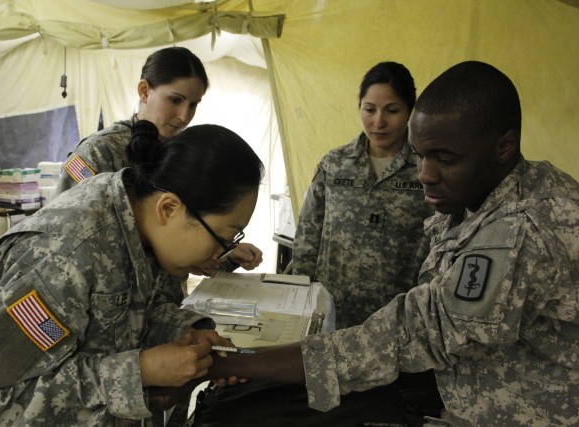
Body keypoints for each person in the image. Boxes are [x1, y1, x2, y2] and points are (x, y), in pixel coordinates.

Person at [171, 61, 579, 426]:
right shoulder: (476, 193)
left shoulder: (527, 228)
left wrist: (237, 362)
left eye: (444, 158)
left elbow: (418, 330)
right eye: (420, 156)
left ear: (503, 146)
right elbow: (312, 240)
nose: (425, 174)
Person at [0, 121, 265, 426]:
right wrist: (139, 371)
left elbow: (122, 320)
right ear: (169, 208)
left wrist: (183, 335)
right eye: (225, 236)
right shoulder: (65, 257)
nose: (221, 253)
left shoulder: (141, 228)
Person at [55, 46, 263, 276]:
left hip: (162, 303)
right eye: (175, 100)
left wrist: (219, 250)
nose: (184, 115)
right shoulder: (97, 152)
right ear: (144, 91)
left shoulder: (184, 154)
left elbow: (181, 232)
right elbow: (67, 239)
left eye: (193, 104)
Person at [293, 61, 433, 329]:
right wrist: (301, 297)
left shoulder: (425, 168)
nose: (378, 122)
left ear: (410, 112)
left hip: (396, 322)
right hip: (332, 315)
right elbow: (308, 237)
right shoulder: (334, 164)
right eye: (369, 109)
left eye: (392, 111)